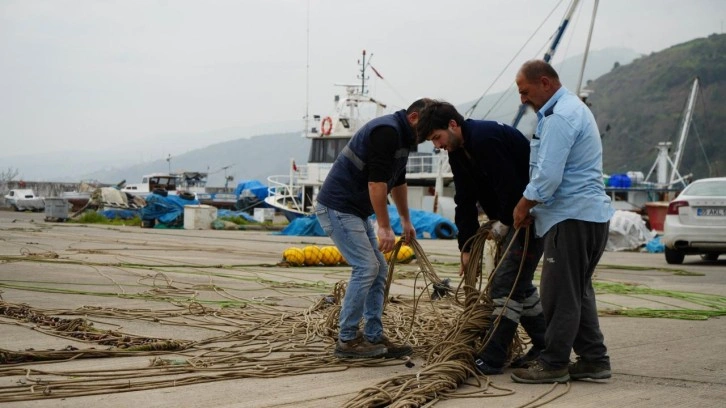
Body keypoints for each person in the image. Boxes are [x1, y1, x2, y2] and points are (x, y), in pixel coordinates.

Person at [416, 100, 547, 375]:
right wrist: (466, 247)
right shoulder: (458, 150)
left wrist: (505, 224)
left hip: (531, 219)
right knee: (519, 284)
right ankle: (545, 345)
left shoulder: (486, 139)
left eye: (437, 138)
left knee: (504, 285)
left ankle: (494, 357)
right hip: (514, 219)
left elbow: (510, 186)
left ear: (453, 125)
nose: (437, 145)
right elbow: (464, 200)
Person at [511, 59, 615, 384]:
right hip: (590, 217)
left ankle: (554, 363)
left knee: (558, 293)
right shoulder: (572, 109)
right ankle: (594, 361)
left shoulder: (560, 117)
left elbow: (548, 177)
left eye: (525, 92)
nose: (522, 99)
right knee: (578, 292)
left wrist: (523, 204)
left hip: (570, 218)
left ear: (545, 83)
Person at [315, 99, 429, 359]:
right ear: (413, 118)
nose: (428, 138)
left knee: (379, 270)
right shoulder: (386, 131)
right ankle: (347, 340)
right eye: (427, 129)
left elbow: (397, 181)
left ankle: (373, 337)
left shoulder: (404, 138)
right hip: (338, 208)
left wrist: (406, 220)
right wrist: (385, 228)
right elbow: (377, 184)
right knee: (366, 267)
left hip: (355, 211)